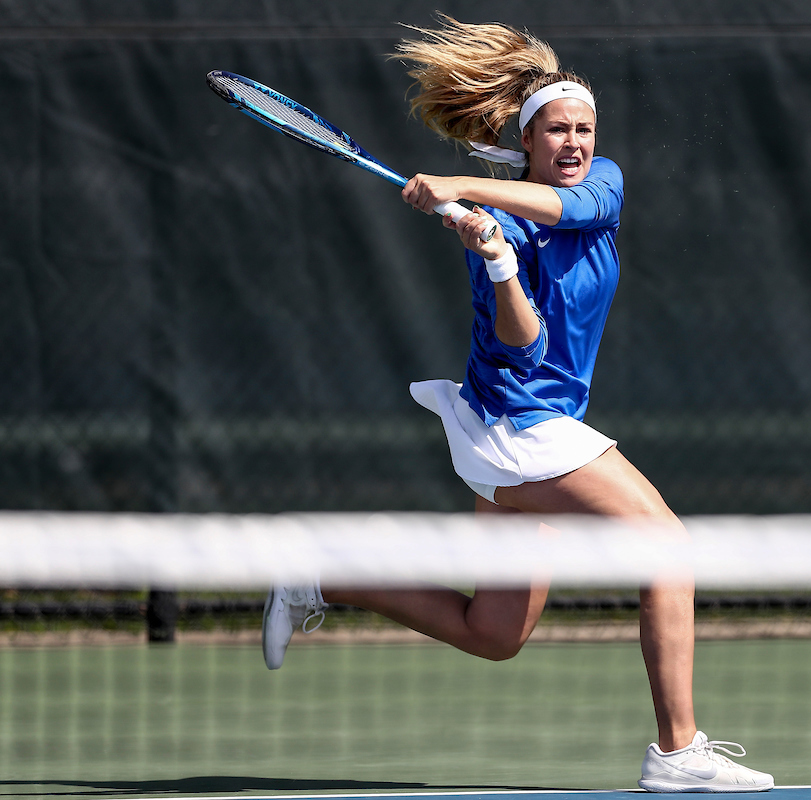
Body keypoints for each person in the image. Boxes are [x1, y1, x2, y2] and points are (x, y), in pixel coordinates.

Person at [261, 15, 773, 793]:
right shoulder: (495, 227)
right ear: (526, 141)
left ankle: (321, 578)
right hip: (518, 429)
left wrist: (461, 188)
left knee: (493, 632)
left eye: (584, 128)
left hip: (527, 428)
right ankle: (677, 753)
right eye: (558, 131)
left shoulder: (603, 184)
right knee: (667, 548)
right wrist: (498, 262)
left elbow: (571, 213)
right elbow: (522, 345)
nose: (575, 142)